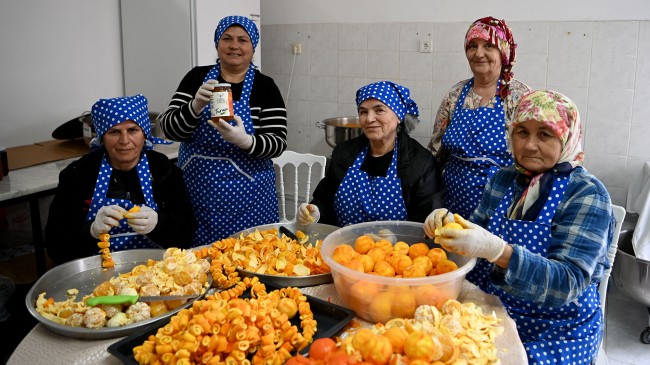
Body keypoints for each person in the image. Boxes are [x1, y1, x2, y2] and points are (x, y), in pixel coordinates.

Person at [424, 90, 615, 364]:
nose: (530, 145)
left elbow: (567, 282)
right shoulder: (504, 179)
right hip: (494, 312)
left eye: (545, 134)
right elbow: (473, 239)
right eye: (521, 132)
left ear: (567, 137)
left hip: (557, 331)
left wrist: (498, 251)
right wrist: (447, 228)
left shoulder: (586, 194)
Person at [159, 15, 287, 246]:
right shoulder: (195, 78)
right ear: (217, 44)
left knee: (250, 259)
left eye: (242, 40)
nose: (234, 45)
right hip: (197, 193)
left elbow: (277, 142)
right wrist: (194, 106)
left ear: (253, 47)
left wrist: (246, 141)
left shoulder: (265, 86)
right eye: (227, 38)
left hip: (249, 199)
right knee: (197, 264)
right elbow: (169, 129)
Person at [45, 94, 197, 265]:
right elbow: (55, 247)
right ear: (102, 137)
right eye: (114, 132)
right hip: (96, 272)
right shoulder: (78, 174)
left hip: (156, 271)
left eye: (133, 130)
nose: (124, 140)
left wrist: (159, 223)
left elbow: (187, 234)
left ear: (145, 133)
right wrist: (91, 231)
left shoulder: (164, 170)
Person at [297, 81, 444, 227]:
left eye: (379, 110)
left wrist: (396, 238)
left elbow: (425, 220)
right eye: (363, 112)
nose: (369, 119)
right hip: (343, 247)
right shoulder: (343, 154)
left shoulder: (420, 162)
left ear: (399, 116)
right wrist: (316, 212)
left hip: (396, 248)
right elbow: (325, 199)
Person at [428, 16, 532, 219]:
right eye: (472, 46)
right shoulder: (456, 94)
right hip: (452, 201)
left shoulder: (520, 96)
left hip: (500, 204)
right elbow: (436, 150)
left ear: (503, 52)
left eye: (489, 46)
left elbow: (531, 155)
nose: (479, 53)